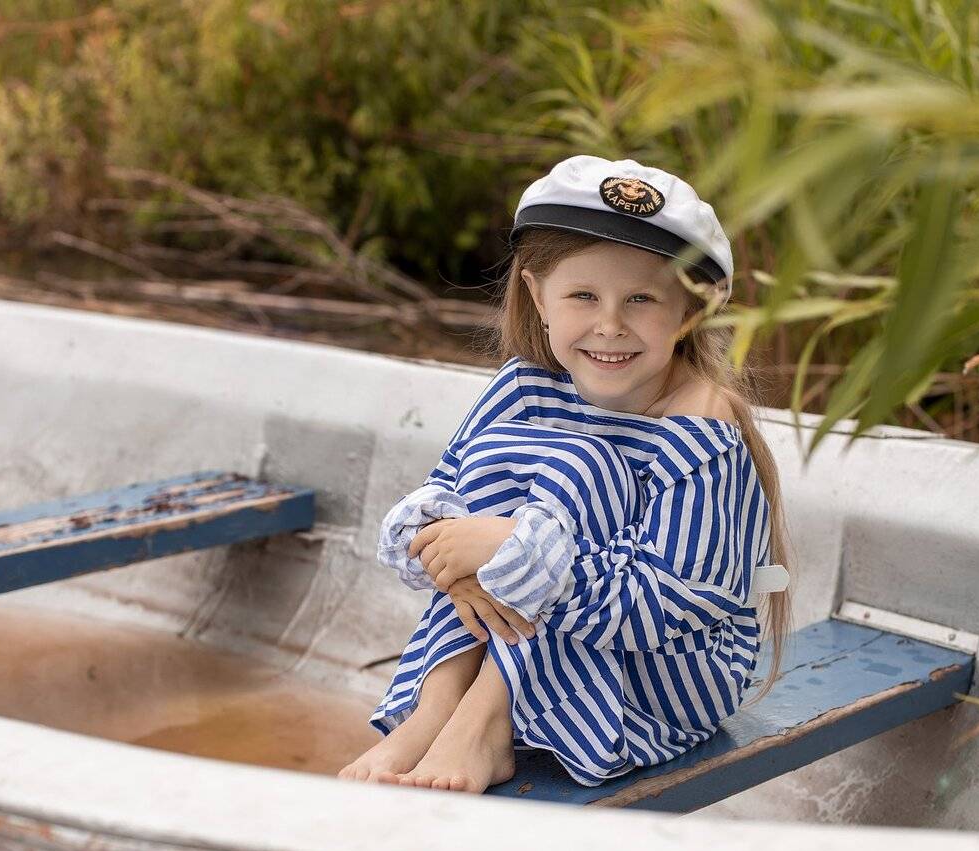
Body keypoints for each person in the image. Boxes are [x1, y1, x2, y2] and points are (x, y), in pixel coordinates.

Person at [337, 154, 793, 793]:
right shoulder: (526, 386)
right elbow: (448, 495)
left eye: (641, 299)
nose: (610, 325)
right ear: (537, 296)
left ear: (694, 310)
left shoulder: (703, 426)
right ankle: (437, 708)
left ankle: (485, 723)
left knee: (582, 466)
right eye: (583, 296)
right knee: (492, 492)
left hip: (665, 676)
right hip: (548, 647)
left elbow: (665, 604)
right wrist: (460, 557)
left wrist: (515, 556)